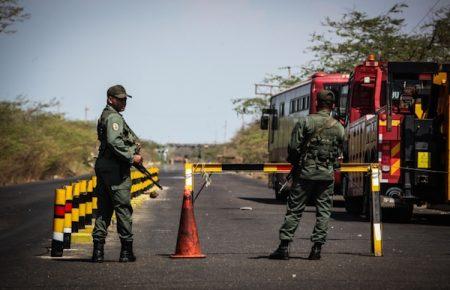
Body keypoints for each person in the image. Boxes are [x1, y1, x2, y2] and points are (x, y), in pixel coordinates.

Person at [269, 90, 345, 260]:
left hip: (305, 174)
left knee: (295, 210)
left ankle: (284, 247)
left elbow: (293, 147)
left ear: (317, 103)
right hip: (326, 175)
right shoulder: (339, 127)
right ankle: (316, 249)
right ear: (332, 106)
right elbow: (340, 151)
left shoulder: (306, 121)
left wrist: (297, 164)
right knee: (324, 211)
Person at [91, 84, 143, 263]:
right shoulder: (114, 118)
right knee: (122, 208)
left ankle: (97, 252)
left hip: (105, 166)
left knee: (104, 209)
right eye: (120, 99)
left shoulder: (106, 115)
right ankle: (126, 252)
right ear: (110, 99)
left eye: (124, 99)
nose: (123, 102)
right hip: (115, 169)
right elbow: (114, 142)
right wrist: (132, 157)